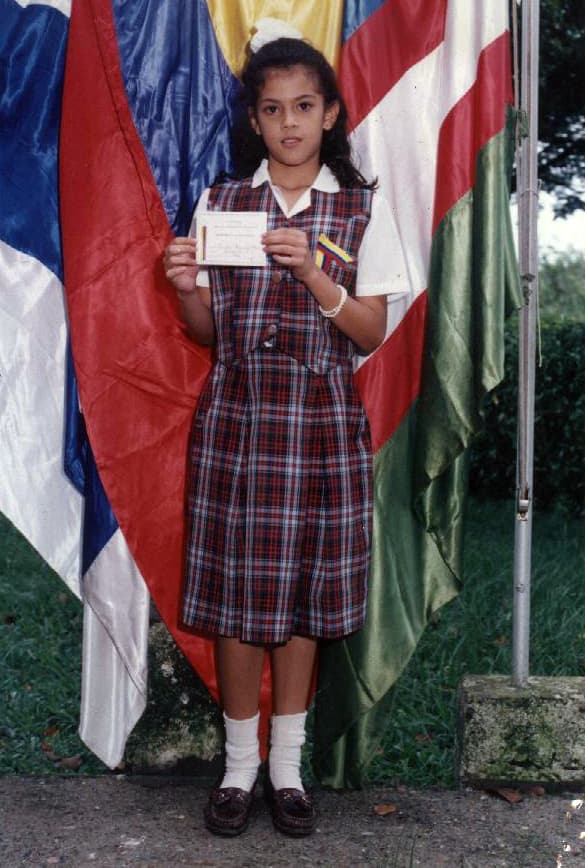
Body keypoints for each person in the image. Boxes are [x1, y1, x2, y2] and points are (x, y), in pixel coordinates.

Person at [163, 18, 408, 838]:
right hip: (237, 423)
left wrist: (312, 273)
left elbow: (371, 333)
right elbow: (206, 331)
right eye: (273, 110)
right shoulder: (221, 203)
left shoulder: (362, 209)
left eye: (306, 106)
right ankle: (237, 771)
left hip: (320, 426)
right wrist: (187, 286)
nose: (291, 123)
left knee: (301, 603)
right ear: (256, 121)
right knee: (240, 604)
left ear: (332, 114)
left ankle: (288, 770)